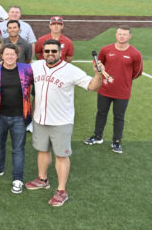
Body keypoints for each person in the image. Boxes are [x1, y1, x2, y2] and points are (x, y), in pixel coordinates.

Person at [25, 39, 104, 206]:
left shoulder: (71, 70)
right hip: (40, 118)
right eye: (47, 51)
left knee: (61, 155)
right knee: (42, 150)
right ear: (42, 53)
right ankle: (42, 179)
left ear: (60, 53)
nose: (50, 54)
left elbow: (92, 86)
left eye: (54, 51)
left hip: (61, 121)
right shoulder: (36, 65)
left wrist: (98, 74)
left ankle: (61, 191)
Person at [0, 44, 35, 194]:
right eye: (7, 54)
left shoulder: (27, 69)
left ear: (17, 55)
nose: (10, 57)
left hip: (20, 117)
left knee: (18, 149)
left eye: (12, 54)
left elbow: (38, 84)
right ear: (1, 56)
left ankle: (17, 179)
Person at [84, 26, 143, 153]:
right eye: (120, 34)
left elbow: (138, 72)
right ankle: (97, 136)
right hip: (104, 89)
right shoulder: (106, 49)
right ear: (116, 35)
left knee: (119, 117)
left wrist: (124, 79)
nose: (122, 36)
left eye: (125, 34)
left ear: (129, 36)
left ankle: (117, 142)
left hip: (122, 92)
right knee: (101, 113)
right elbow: (98, 64)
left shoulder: (135, 54)